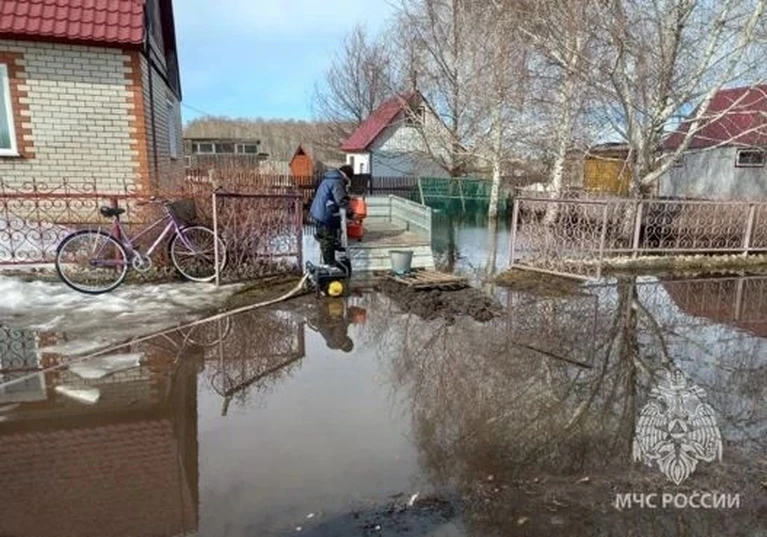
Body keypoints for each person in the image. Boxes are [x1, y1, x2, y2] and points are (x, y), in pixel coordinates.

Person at [310, 165, 354, 266]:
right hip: (325, 214)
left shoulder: (330, 178)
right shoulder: (337, 181)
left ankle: (328, 262)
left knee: (327, 239)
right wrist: (350, 213)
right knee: (328, 239)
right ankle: (329, 265)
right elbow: (341, 200)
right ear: (347, 176)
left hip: (319, 213)